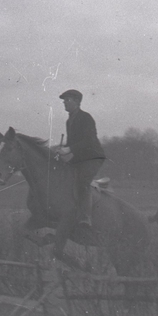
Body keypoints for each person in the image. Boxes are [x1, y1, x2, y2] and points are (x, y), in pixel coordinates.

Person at [57, 89, 105, 228]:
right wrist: (61, 151)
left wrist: (69, 149)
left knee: (82, 182)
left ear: (77, 102)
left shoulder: (86, 118)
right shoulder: (69, 121)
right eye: (64, 101)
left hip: (93, 158)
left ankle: (85, 218)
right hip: (79, 158)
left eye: (67, 100)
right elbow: (71, 143)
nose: (64, 103)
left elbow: (89, 140)